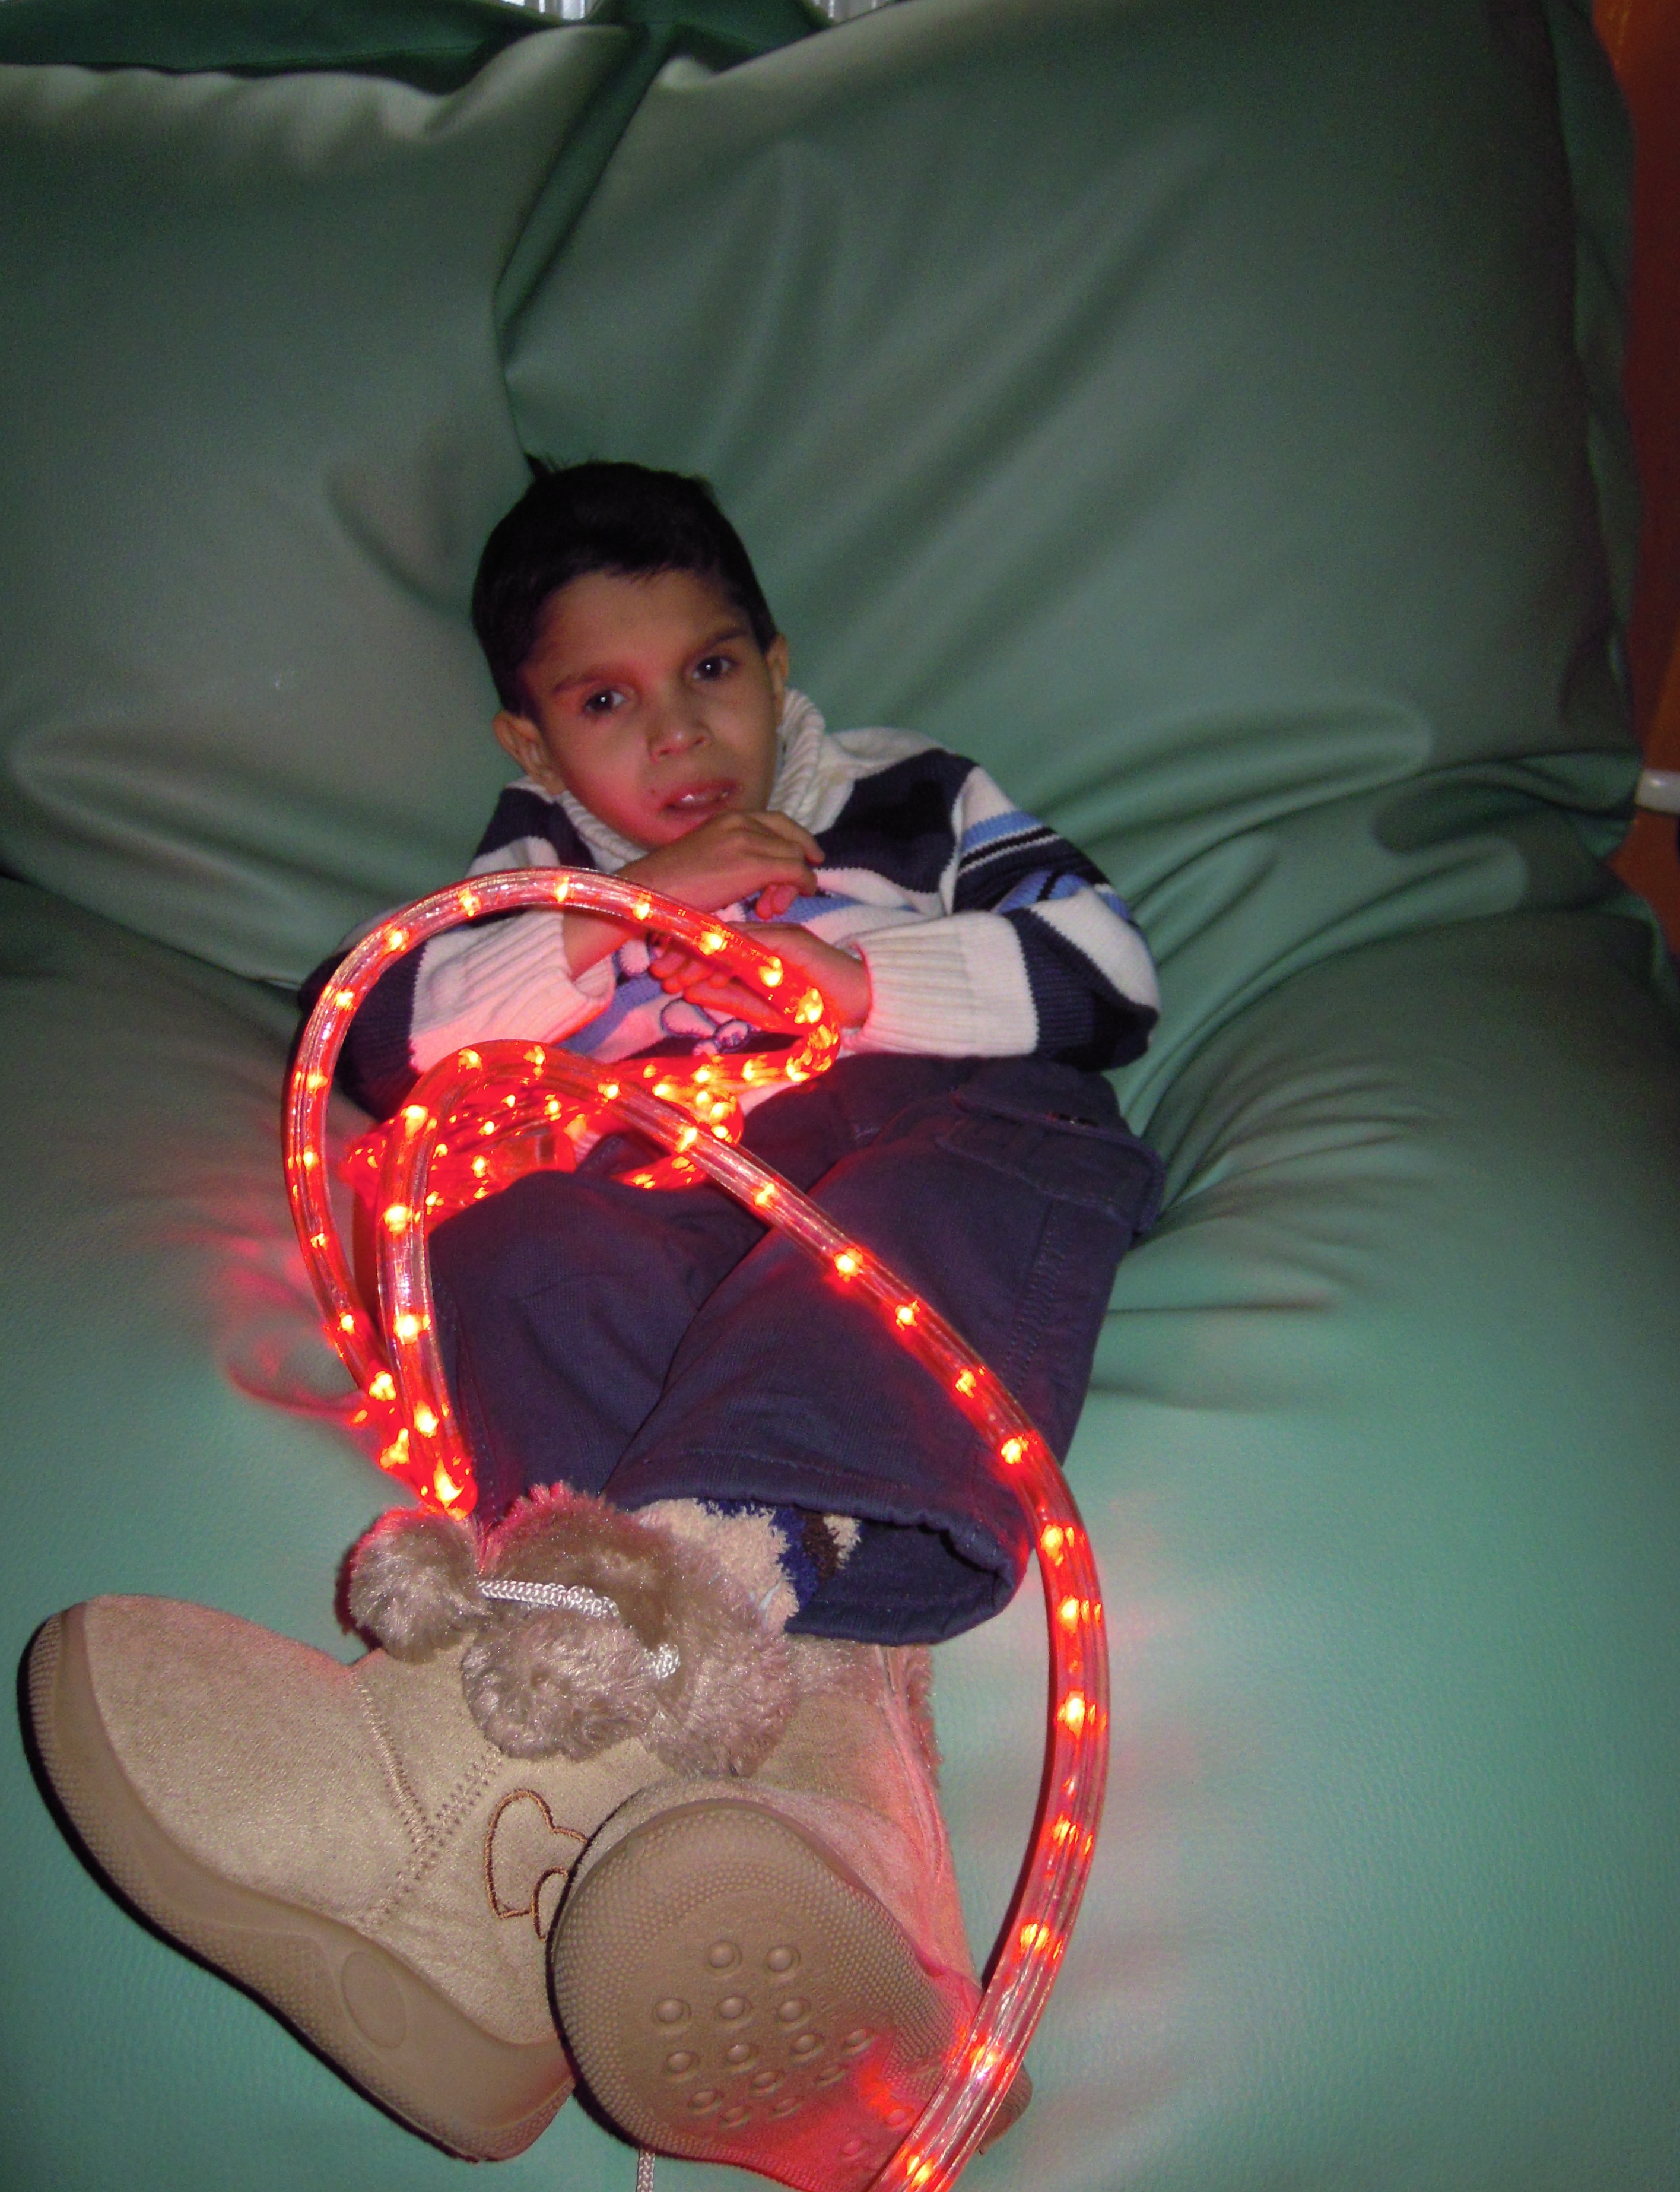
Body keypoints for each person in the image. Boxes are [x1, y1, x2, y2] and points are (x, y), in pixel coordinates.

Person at [26, 464, 1163, 2188]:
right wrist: (632, 912)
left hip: (919, 1144)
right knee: (520, 1243)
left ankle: (483, 1790)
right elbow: (385, 1039)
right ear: (533, 742)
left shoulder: (908, 796)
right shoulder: (538, 871)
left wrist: (859, 982)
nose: (680, 732)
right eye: (606, 704)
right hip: (666, 1196)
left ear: (777, 667)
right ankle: (710, 1842)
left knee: (993, 1152)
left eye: (711, 671)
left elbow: (1107, 975)